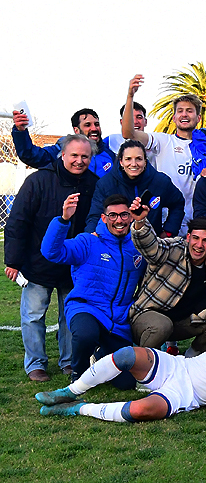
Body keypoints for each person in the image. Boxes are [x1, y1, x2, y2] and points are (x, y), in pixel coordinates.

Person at [36, 269, 206, 423]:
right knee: (125, 356)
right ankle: (69, 392)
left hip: (189, 395)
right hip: (177, 366)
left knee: (140, 411)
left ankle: (78, 409)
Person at [4, 133, 98, 381]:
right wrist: (13, 261)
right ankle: (35, 364)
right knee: (33, 315)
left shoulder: (95, 184)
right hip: (38, 263)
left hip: (75, 266)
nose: (79, 161)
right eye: (74, 155)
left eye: (85, 156)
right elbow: (18, 222)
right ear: (63, 155)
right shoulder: (38, 181)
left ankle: (69, 362)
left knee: (70, 316)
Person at [40, 194, 145, 387]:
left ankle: (98, 357)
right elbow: (51, 252)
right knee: (85, 334)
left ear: (131, 216)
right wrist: (64, 220)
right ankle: (78, 374)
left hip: (119, 319)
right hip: (87, 308)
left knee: (126, 384)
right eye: (112, 215)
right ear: (104, 218)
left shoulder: (138, 247)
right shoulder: (88, 242)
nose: (119, 220)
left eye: (123, 215)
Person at [122, 74, 206, 235]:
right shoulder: (162, 141)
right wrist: (130, 96)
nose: (184, 115)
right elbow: (128, 133)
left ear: (198, 117)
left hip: (199, 223)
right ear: (174, 118)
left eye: (189, 111)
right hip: (168, 222)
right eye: (180, 111)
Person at [129, 203, 206, 357]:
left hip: (180, 323)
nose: (199, 245)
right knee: (162, 326)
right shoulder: (173, 248)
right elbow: (151, 246)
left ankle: (190, 360)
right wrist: (140, 223)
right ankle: (142, 364)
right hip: (148, 317)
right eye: (195, 238)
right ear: (188, 237)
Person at [86, 140, 185, 236]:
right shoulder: (106, 184)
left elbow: (178, 203)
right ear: (121, 161)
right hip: (117, 244)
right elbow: (95, 215)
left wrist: (168, 232)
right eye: (128, 159)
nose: (134, 164)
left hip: (151, 244)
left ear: (145, 161)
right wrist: (91, 237)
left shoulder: (160, 181)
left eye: (138, 159)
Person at [11, 108, 116, 177]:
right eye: (87, 125)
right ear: (76, 130)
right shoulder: (61, 150)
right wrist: (20, 131)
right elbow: (31, 155)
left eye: (96, 124)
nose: (94, 128)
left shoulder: (110, 155)